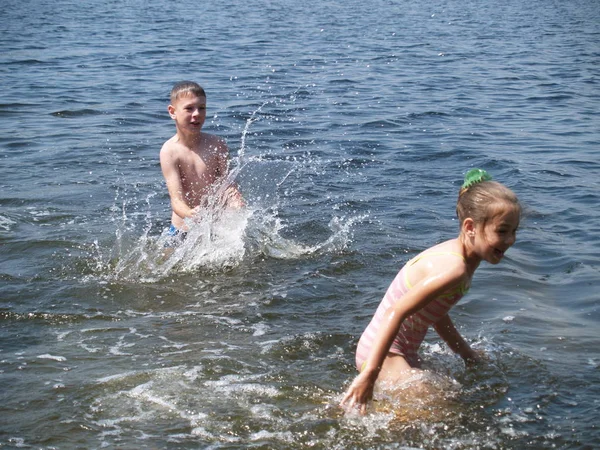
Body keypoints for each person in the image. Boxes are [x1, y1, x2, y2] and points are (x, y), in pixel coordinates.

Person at [340, 169, 521, 414]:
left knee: (443, 399)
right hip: (384, 353)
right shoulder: (454, 269)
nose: (510, 240)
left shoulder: (459, 257)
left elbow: (435, 311)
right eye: (502, 231)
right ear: (470, 227)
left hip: (396, 352)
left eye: (514, 231)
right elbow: (396, 311)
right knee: (439, 413)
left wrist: (466, 354)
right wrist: (370, 374)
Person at [160, 81, 243, 238]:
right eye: (189, 108)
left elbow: (227, 184)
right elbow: (176, 199)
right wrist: (190, 212)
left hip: (215, 226)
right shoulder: (169, 151)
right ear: (172, 112)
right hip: (182, 229)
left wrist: (235, 201)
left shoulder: (217, 144)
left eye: (201, 108)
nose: (196, 114)